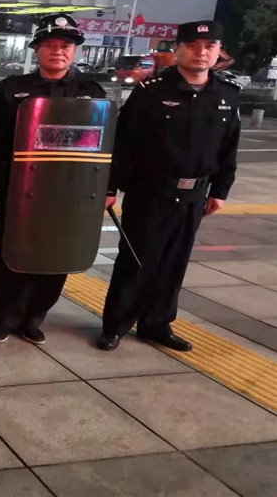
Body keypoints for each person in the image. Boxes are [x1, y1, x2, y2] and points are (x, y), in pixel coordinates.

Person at [97, 21, 242, 352]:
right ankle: (115, 325)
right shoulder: (151, 91)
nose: (201, 52)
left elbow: (229, 147)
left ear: (218, 51)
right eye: (193, 45)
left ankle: (157, 323)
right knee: (135, 260)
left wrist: (220, 190)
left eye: (209, 46)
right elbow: (124, 144)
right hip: (150, 192)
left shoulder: (227, 94)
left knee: (174, 262)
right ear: (178, 50)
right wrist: (110, 188)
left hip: (194, 195)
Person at [0, 13, 106, 345]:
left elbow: (106, 144)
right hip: (19, 189)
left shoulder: (91, 92)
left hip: (69, 191)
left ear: (75, 51)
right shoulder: (13, 90)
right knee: (12, 253)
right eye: (50, 45)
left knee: (57, 254)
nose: (58, 51)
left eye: (65, 46)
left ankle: (34, 317)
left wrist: (108, 188)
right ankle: (4, 318)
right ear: (36, 49)